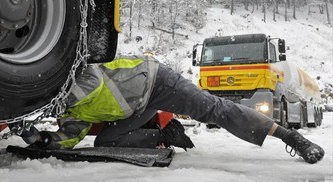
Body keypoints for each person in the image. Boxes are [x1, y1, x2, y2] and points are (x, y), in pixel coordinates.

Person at [20, 56, 325, 164]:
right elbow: (67, 138)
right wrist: (36, 138)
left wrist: (48, 101)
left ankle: (291, 138)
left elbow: (89, 86)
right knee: (104, 143)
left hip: (157, 80)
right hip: (136, 107)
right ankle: (160, 134)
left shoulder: (82, 71)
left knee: (213, 108)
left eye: (52, 102)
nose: (58, 111)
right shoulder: (71, 112)